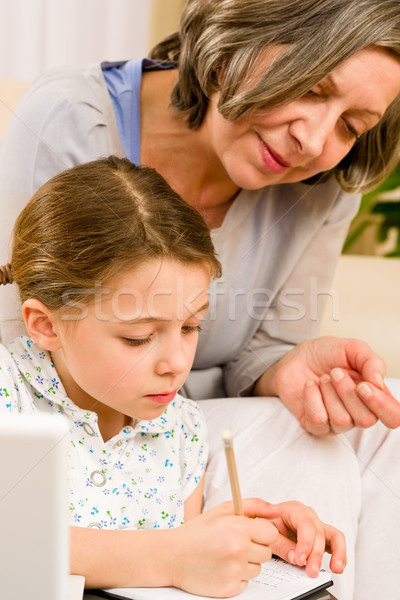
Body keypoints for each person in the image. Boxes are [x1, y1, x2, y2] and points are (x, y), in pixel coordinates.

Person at [0, 1, 399, 597]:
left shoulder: (323, 180)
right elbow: (30, 343)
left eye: (351, 125)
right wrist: (166, 554)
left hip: (164, 428)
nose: (315, 142)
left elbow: (253, 357)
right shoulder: (71, 118)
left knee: (378, 420)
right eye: (312, 88)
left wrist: (284, 368)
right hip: (77, 423)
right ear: (241, 39)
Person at [0, 155, 347, 595]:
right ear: (46, 326)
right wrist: (172, 555)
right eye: (139, 337)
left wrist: (249, 542)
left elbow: (184, 566)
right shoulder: (8, 392)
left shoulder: (181, 426)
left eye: (189, 327)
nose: (176, 363)